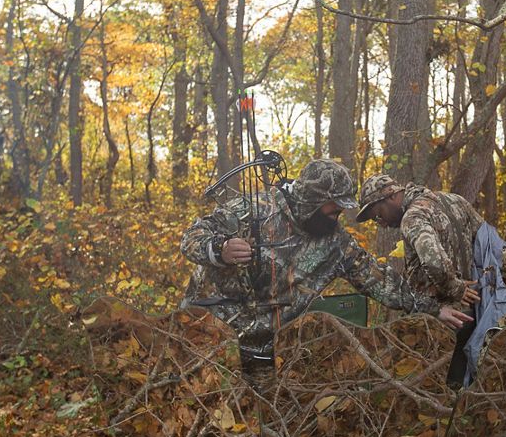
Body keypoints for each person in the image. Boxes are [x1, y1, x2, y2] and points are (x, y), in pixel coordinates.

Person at [180, 160, 472, 386]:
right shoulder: (254, 209)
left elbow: (379, 279)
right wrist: (220, 249)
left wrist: (433, 308)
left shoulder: (336, 242)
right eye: (335, 206)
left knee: (258, 420)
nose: (340, 214)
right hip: (208, 336)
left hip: (265, 349)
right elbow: (192, 238)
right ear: (312, 200)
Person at [356, 174, 506, 387]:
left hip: (437, 322)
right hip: (474, 314)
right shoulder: (456, 201)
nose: (381, 223)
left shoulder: (413, 217)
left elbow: (434, 263)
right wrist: (488, 289)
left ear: (391, 196)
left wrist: (457, 289)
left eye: (378, 215)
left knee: (427, 390)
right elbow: (504, 254)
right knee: (464, 384)